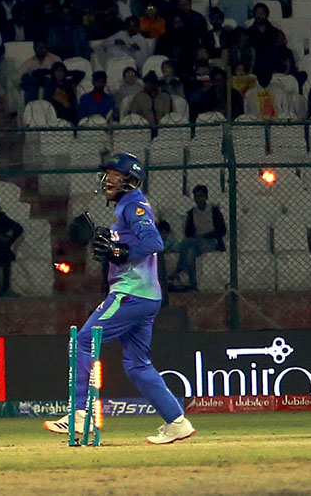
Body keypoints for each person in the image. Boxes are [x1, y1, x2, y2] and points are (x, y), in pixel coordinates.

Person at [43, 153, 195, 444]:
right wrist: (109, 242)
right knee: (137, 365)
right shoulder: (125, 207)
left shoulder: (134, 204)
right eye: (108, 174)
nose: (108, 179)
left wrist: (117, 251)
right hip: (146, 297)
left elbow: (153, 243)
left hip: (130, 294)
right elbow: (128, 243)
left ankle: (78, 415)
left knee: (84, 340)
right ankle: (177, 422)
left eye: (115, 175)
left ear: (131, 179)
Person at [169, 185, 226, 291]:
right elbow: (188, 231)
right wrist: (195, 235)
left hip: (211, 241)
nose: (199, 199)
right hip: (196, 241)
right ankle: (193, 283)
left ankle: (178, 270)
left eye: (201, 196)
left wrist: (205, 235)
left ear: (206, 197)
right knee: (190, 253)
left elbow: (222, 231)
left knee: (185, 243)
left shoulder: (214, 211)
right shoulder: (192, 212)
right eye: (196, 196)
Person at [18, 38, 62, 103]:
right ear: (34, 48)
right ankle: (31, 106)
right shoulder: (29, 62)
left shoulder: (55, 59)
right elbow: (19, 75)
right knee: (27, 78)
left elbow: (62, 72)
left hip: (50, 82)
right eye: (39, 47)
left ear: (47, 47)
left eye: (43, 47)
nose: (41, 49)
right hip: (33, 84)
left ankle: (46, 105)